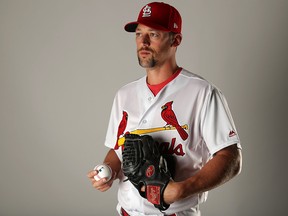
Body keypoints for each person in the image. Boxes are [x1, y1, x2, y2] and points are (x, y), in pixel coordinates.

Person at [87, 2, 242, 216]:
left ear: (175, 40)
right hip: (126, 212)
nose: (143, 41)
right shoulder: (124, 95)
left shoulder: (202, 92)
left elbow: (230, 157)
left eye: (154, 34)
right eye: (139, 33)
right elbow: (118, 148)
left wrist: (181, 189)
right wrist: (109, 171)